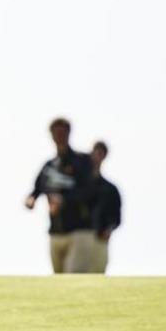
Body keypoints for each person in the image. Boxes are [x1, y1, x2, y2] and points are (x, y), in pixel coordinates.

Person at [23, 117, 95, 273]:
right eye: (55, 132)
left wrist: (64, 200)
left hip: (79, 231)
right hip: (55, 231)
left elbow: (90, 191)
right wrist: (31, 200)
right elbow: (37, 189)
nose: (59, 136)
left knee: (73, 278)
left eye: (62, 132)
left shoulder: (82, 161)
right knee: (59, 280)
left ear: (69, 133)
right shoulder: (49, 166)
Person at [86, 140, 121, 273]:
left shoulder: (110, 189)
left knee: (97, 275)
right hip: (79, 237)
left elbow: (116, 218)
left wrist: (109, 230)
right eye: (95, 153)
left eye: (101, 153)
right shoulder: (80, 185)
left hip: (99, 239)